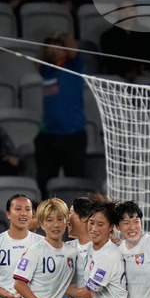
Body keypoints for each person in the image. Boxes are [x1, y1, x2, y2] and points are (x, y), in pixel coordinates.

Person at [35, 33, 87, 198]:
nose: (52, 49)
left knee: (74, 182)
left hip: (72, 135)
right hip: (49, 136)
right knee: (44, 183)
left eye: (57, 46)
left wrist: (59, 36)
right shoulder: (48, 70)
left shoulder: (73, 66)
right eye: (50, 46)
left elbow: (72, 46)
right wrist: (47, 44)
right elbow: (37, 62)